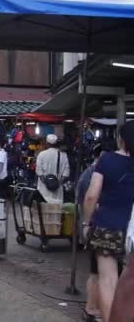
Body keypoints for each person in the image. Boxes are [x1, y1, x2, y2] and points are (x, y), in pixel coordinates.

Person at [84, 121, 134, 322]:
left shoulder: (107, 160)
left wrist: (87, 222)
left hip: (107, 226)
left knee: (108, 279)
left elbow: (91, 195)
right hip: (131, 228)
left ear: (120, 139)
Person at [77, 143, 105, 321]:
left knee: (97, 272)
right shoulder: (93, 174)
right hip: (100, 226)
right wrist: (87, 223)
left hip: (97, 226)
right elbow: (88, 198)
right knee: (102, 274)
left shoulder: (92, 173)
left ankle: (92, 308)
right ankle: (96, 309)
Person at [36, 134, 70, 203]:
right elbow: (66, 173)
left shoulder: (42, 154)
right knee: (56, 212)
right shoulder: (64, 155)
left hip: (43, 192)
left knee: (43, 211)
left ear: (47, 143)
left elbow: (39, 172)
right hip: (57, 194)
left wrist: (47, 184)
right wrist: (57, 184)